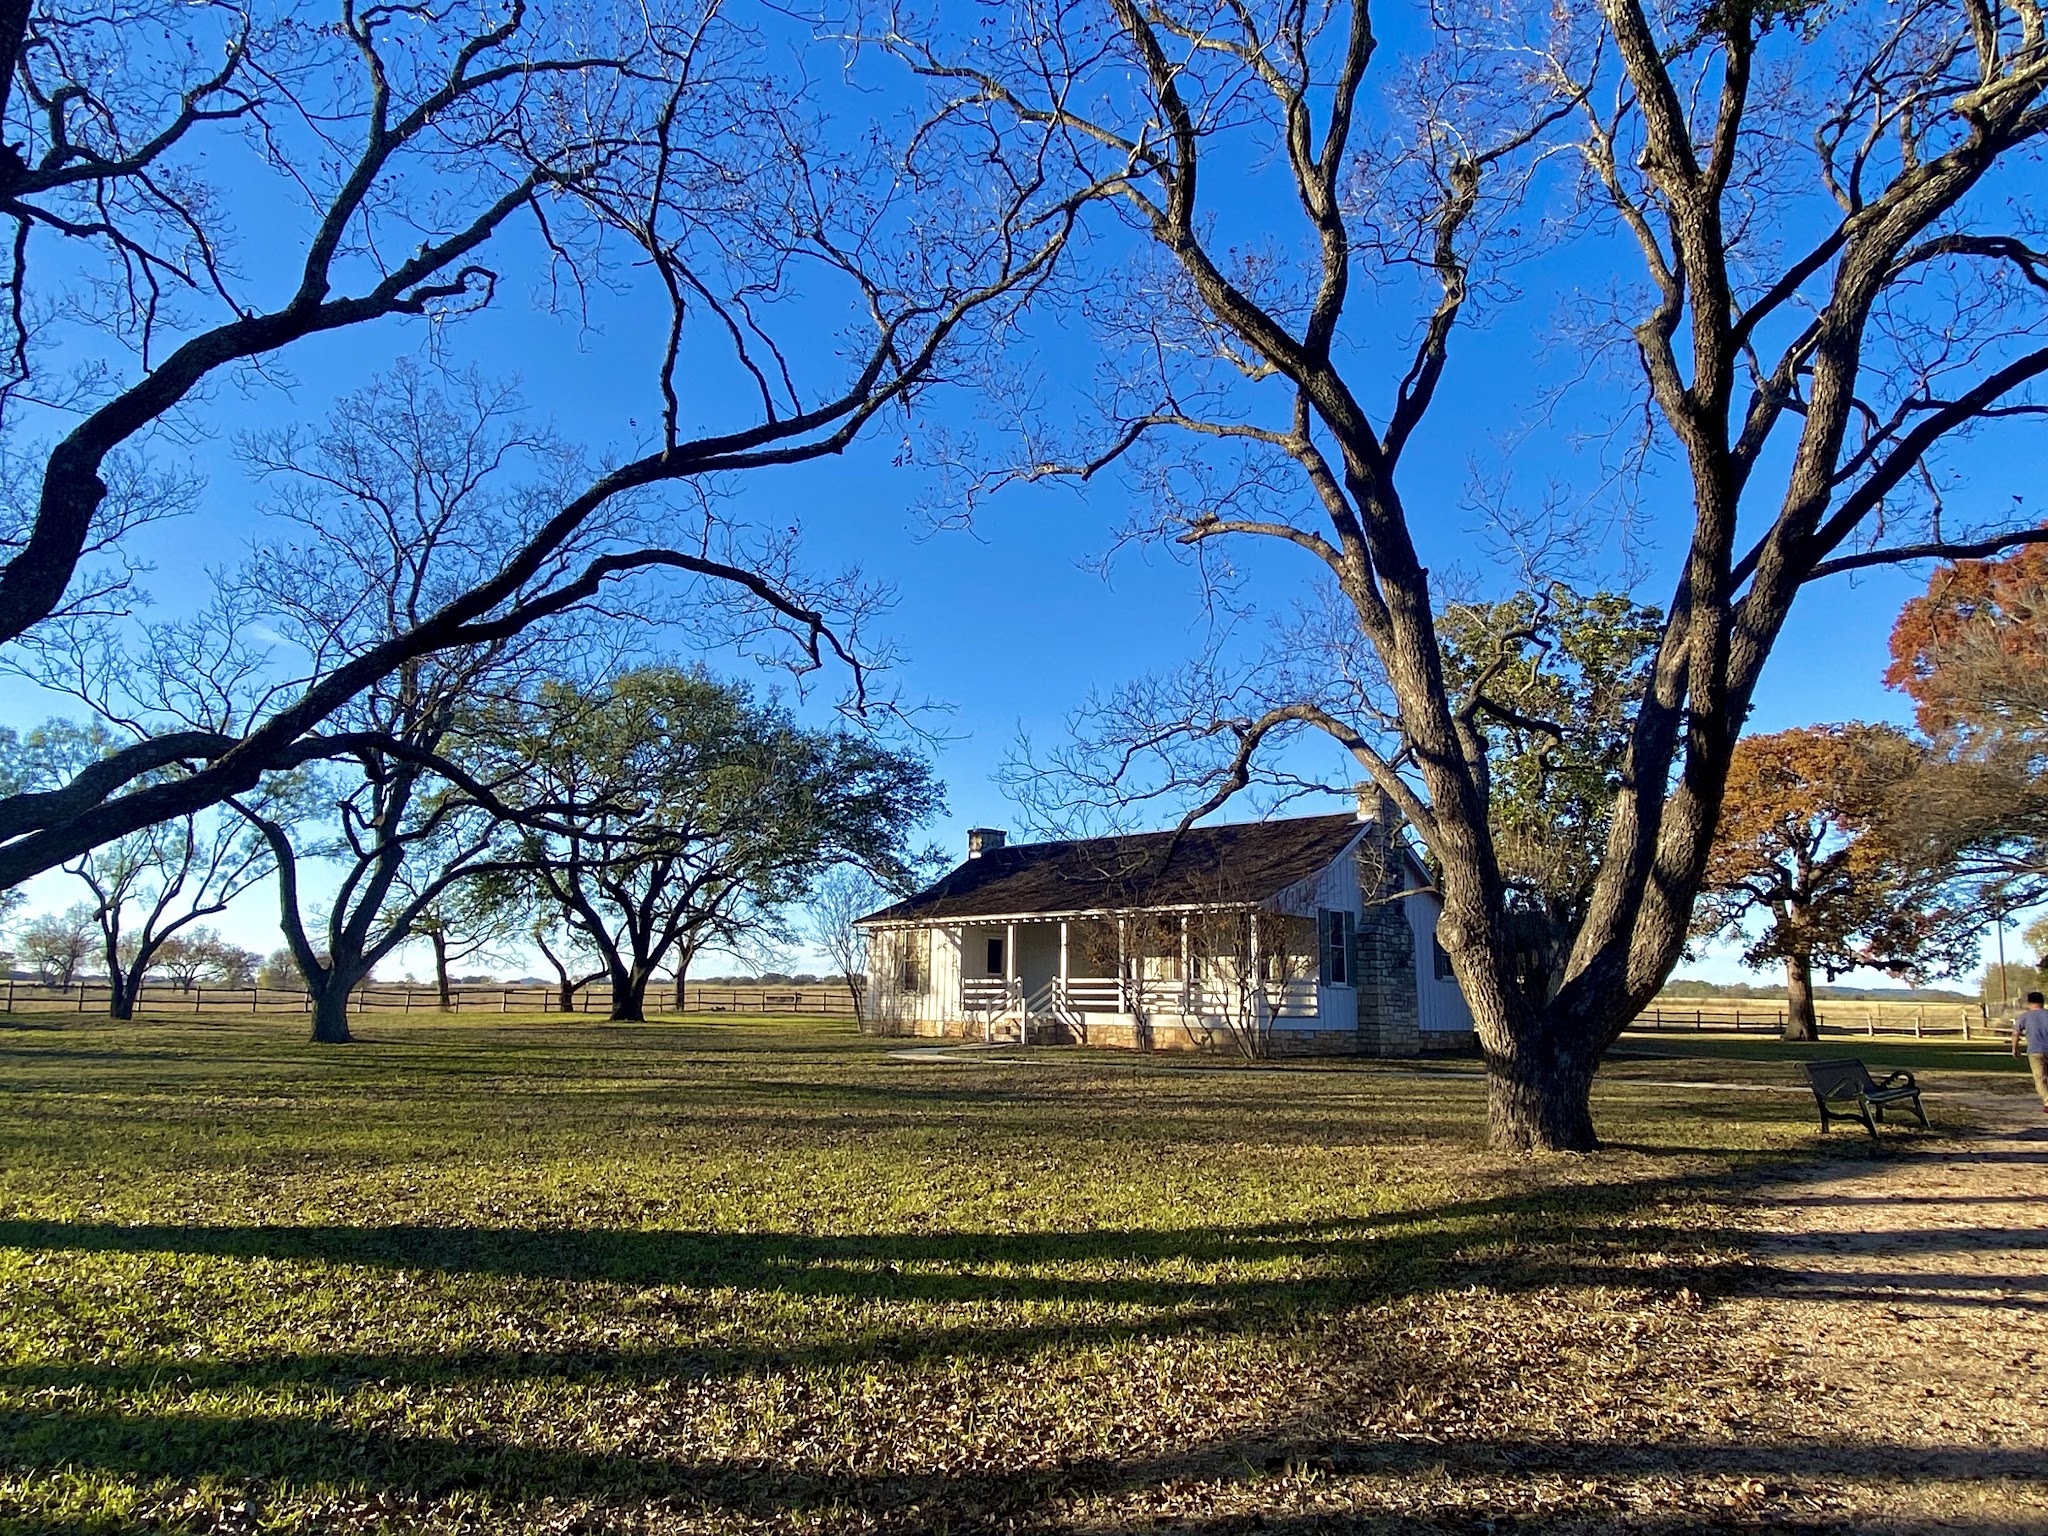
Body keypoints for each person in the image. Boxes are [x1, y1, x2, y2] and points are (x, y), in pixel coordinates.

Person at [2012, 990, 2048, 1113]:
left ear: (2029, 1002)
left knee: (2040, 1077)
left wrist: (2015, 1048)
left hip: (2035, 1051)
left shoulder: (2024, 1017)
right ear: (2042, 1002)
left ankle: (2047, 1101)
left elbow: (2016, 1033)